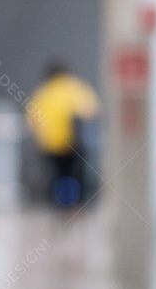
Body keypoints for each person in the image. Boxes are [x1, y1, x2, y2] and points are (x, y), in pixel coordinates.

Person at [25, 58, 101, 207]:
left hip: (49, 145)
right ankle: (76, 205)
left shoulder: (43, 92)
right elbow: (90, 112)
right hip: (74, 143)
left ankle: (57, 205)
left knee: (55, 176)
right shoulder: (77, 88)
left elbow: (31, 121)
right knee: (76, 175)